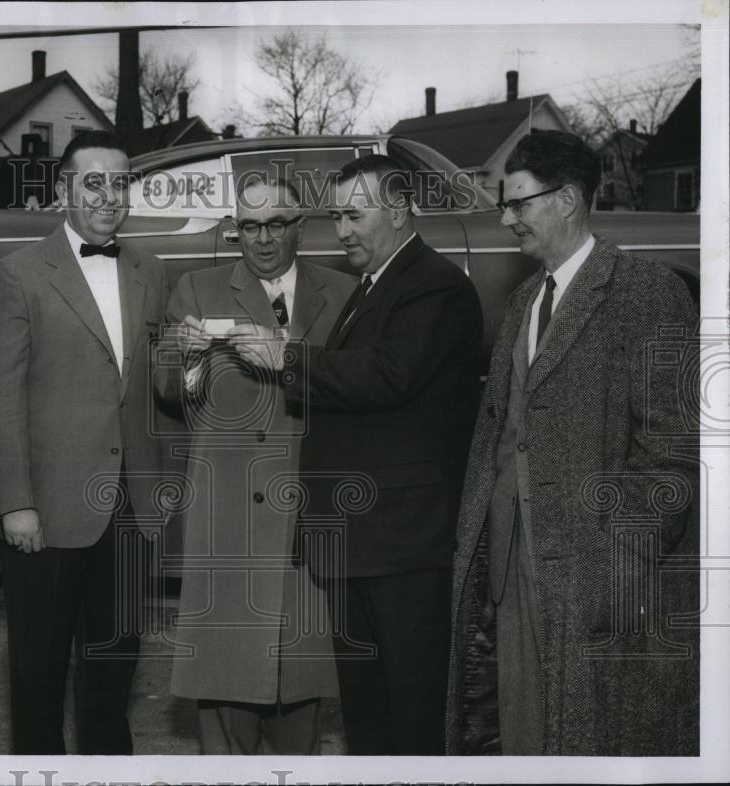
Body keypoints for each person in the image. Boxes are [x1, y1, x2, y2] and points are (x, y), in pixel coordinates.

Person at [446, 131, 699, 756]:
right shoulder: (522, 301)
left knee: (592, 740)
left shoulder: (647, 292)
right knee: (520, 735)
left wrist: (615, 562)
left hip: (593, 573)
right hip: (510, 562)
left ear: (568, 199)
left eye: (519, 203)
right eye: (505, 205)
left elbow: (675, 451)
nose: (506, 218)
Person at [230, 155, 483, 755]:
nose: (341, 230)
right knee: (370, 716)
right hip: (361, 543)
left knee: (413, 717)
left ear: (398, 211)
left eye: (354, 214)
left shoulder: (437, 286)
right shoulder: (376, 285)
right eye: (336, 216)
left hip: (403, 546)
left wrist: (285, 357)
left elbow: (388, 374)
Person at [0, 131, 169, 754]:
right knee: (37, 682)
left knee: (112, 683)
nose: (109, 196)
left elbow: (148, 389)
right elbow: (1, 397)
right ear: (63, 190)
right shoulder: (18, 274)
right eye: (94, 182)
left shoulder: (151, 272)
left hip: (130, 510)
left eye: (120, 182)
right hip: (47, 513)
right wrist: (15, 503)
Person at [158, 176, 355, 754]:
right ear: (234, 229)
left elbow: (361, 388)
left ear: (301, 226)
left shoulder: (344, 294)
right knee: (223, 699)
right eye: (249, 225)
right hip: (228, 527)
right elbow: (167, 388)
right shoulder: (196, 288)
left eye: (276, 224)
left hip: (306, 523)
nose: (262, 239)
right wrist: (184, 357)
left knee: (301, 697)